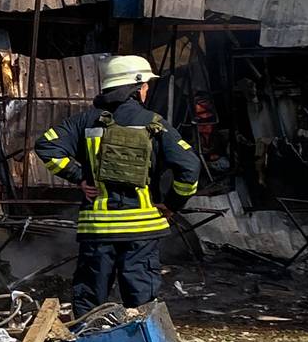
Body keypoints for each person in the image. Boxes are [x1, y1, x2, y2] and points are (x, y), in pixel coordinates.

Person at [35, 55, 202, 314]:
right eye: (146, 85)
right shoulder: (155, 124)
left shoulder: (85, 121)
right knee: (141, 303)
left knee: (90, 300)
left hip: (98, 230)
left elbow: (46, 145)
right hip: (142, 230)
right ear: (135, 87)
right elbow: (189, 167)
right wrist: (172, 204)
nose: (147, 90)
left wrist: (79, 175)